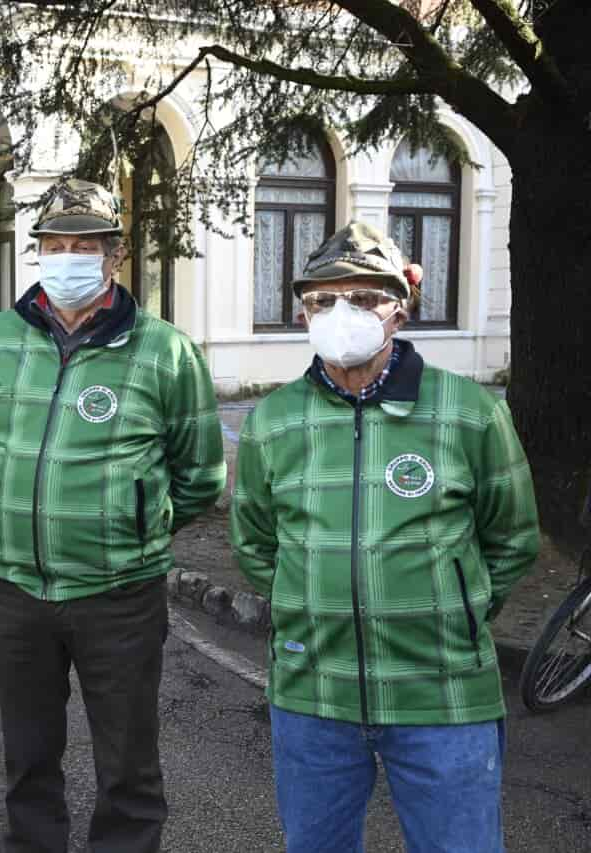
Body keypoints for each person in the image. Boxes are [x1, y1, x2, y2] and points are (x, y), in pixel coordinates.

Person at [230, 221, 541, 853]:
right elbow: (257, 543)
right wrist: (307, 604)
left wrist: (459, 608)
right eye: (323, 300)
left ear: (400, 308)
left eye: (365, 297)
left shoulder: (468, 411)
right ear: (302, 314)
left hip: (444, 693)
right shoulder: (274, 420)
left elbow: (512, 538)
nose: (343, 313)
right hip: (314, 690)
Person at [0, 177, 226, 852]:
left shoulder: (165, 350)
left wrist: (135, 526)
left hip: (120, 597)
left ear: (115, 255)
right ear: (39, 252)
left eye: (87, 243)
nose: (70, 255)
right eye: (57, 243)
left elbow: (198, 475)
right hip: (16, 593)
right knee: (26, 758)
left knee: (129, 769)